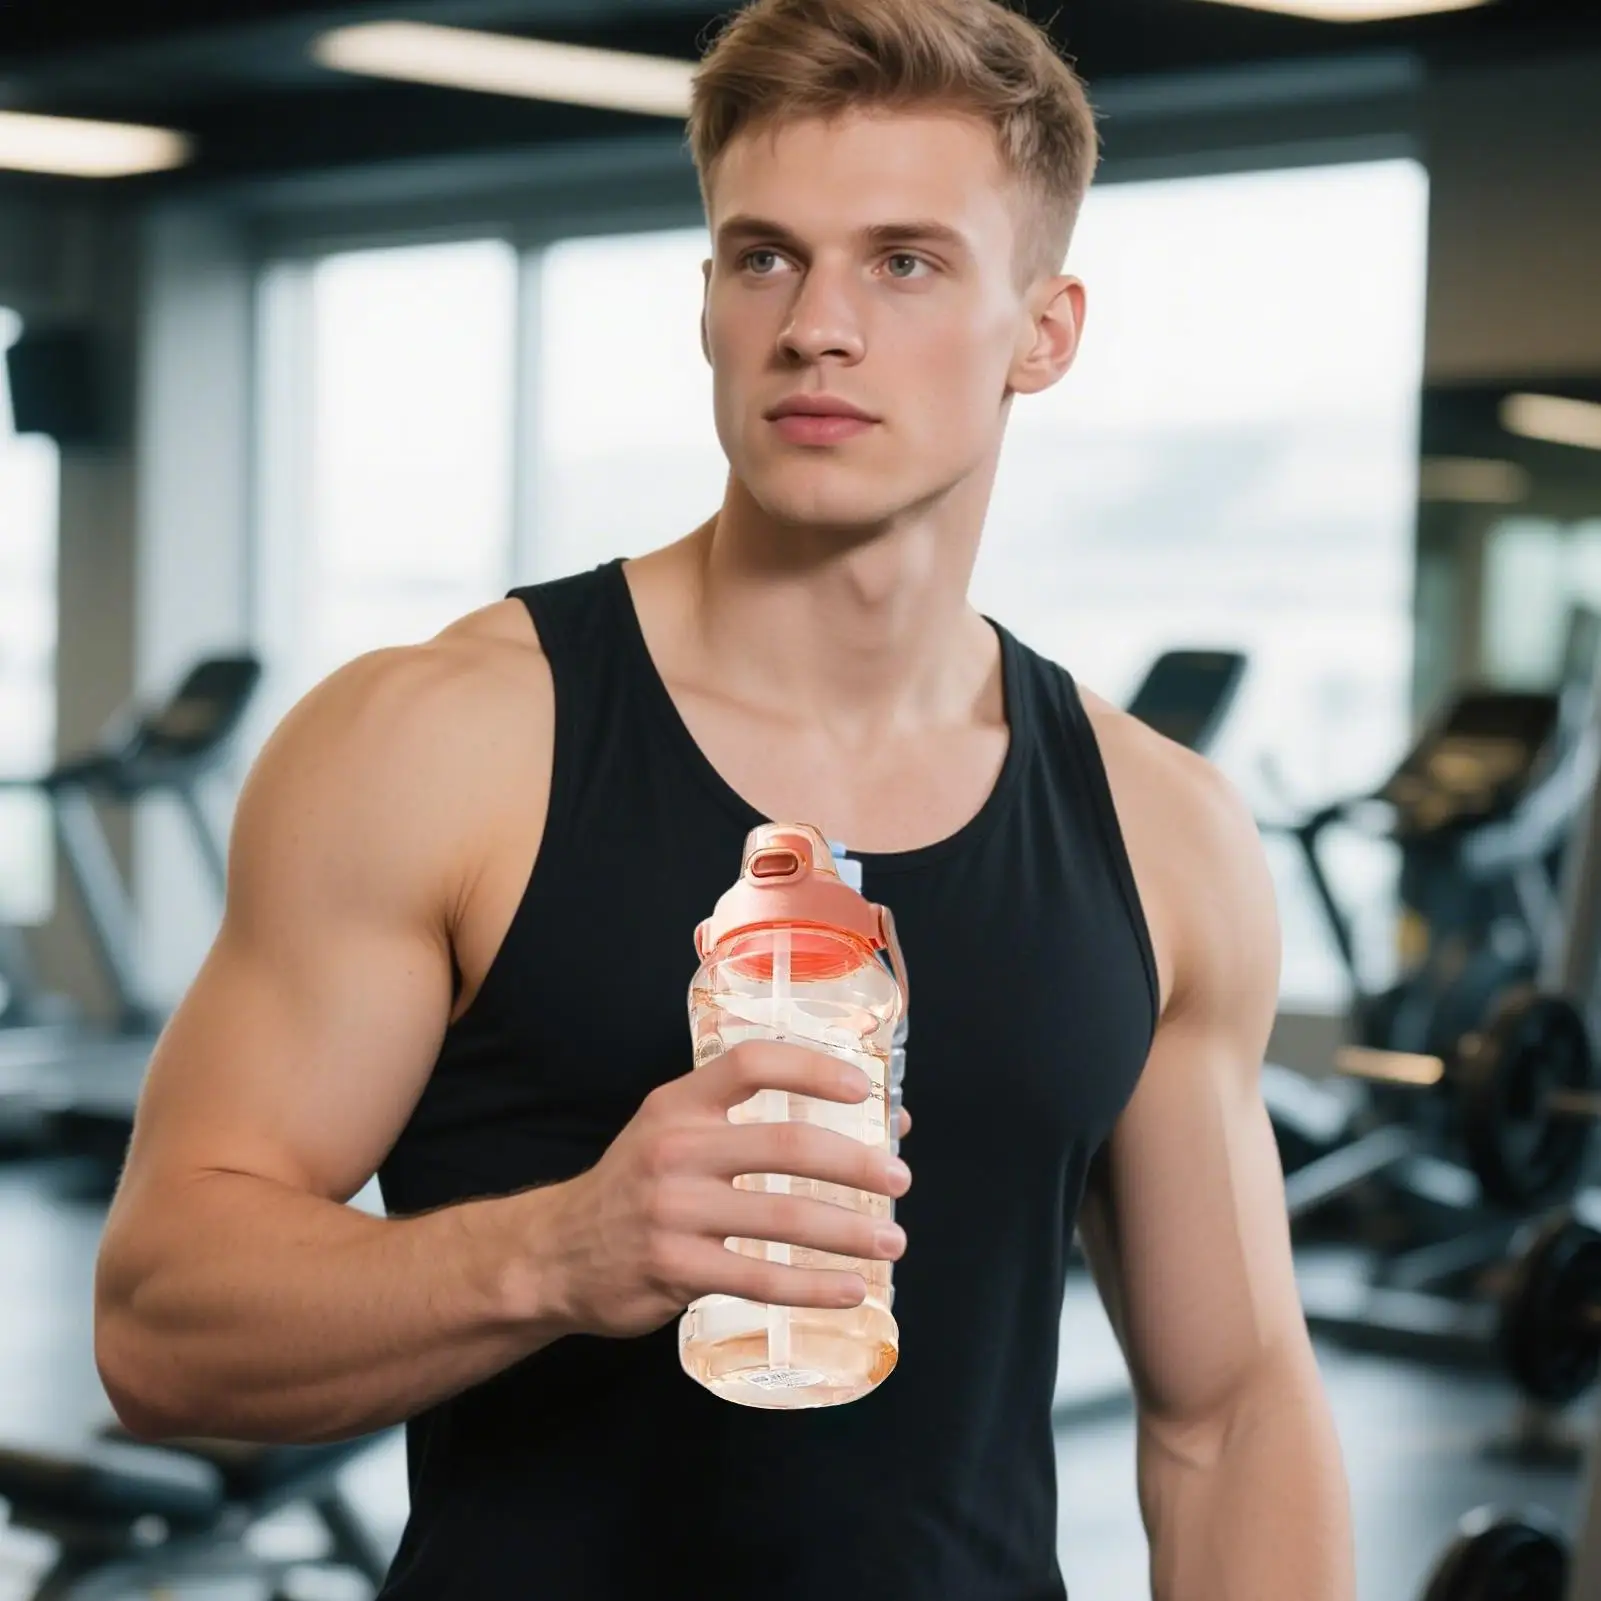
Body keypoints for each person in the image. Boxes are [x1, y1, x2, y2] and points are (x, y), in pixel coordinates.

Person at [94, 0, 1356, 1595]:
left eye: (906, 262)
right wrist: (559, 1251)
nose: (818, 324)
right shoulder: (445, 743)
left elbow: (1232, 1413)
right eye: (767, 257)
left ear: (1045, 329)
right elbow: (158, 1325)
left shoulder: (1163, 832)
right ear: (708, 303)